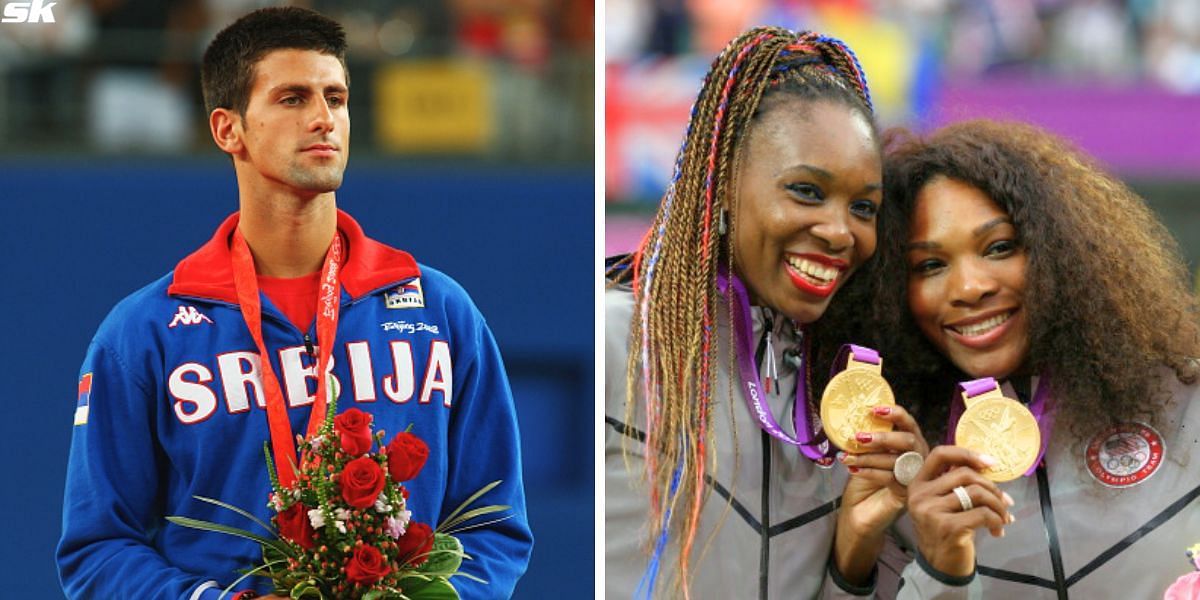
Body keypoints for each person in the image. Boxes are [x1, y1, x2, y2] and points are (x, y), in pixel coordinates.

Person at [55, 7, 532, 599]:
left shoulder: (440, 312)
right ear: (228, 129)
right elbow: (97, 549)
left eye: (336, 97)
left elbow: (495, 524)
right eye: (292, 99)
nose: (324, 118)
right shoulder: (144, 333)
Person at [605, 27, 928, 598]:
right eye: (805, 191)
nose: (838, 231)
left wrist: (853, 558)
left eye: (862, 207)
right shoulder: (618, 339)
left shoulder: (849, 392)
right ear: (724, 181)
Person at [869, 119, 1200, 597]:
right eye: (930, 265)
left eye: (1000, 248)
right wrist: (940, 571)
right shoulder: (895, 466)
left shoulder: (1185, 398)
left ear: (1061, 251)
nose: (969, 287)